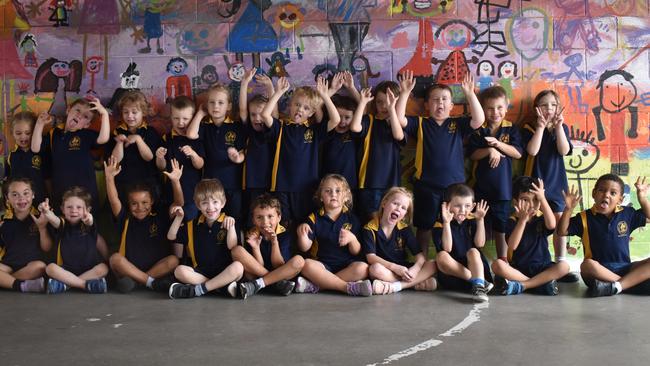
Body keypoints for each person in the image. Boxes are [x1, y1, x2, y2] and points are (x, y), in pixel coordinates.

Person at [396, 72, 485, 256]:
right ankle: (421, 261)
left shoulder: (458, 124)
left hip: (455, 189)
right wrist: (404, 93)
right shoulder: (421, 123)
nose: (440, 103)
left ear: (452, 106)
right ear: (427, 105)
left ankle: (452, 261)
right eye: (435, 100)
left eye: (445, 99)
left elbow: (479, 121)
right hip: (426, 186)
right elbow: (399, 120)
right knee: (424, 226)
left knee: (454, 225)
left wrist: (470, 93)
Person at [261, 77, 340, 225]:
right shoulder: (281, 127)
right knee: (284, 225)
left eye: (306, 108)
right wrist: (278, 93)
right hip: (281, 186)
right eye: (297, 104)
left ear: (311, 113)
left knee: (306, 226)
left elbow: (335, 120)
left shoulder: (314, 131)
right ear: (290, 106)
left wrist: (324, 96)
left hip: (308, 188)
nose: (299, 109)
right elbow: (265, 115)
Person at [558, 174, 650, 297]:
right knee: (586, 265)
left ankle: (616, 286)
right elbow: (562, 231)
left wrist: (643, 198)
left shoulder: (627, 213)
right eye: (602, 190)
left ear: (620, 200)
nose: (606, 195)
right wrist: (568, 209)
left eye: (613, 193)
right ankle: (630, 285)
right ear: (594, 193)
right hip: (598, 272)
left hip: (625, 268)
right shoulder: (584, 217)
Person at [105, 156, 182, 293]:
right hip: (128, 270)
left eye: (144, 202)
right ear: (128, 205)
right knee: (115, 259)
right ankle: (150, 283)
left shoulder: (160, 217)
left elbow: (178, 204)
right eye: (134, 203)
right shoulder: (126, 218)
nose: (140, 207)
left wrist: (175, 181)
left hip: (156, 269)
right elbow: (114, 201)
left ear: (152, 201)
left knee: (173, 260)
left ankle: (137, 282)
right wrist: (109, 178)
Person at [522, 90, 577, 282]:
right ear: (537, 109)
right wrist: (540, 128)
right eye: (544, 105)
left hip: (557, 183)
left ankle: (560, 263)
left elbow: (564, 150)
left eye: (553, 105)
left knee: (560, 223)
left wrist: (559, 127)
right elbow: (532, 150)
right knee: (540, 225)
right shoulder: (529, 127)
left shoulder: (562, 128)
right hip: (536, 184)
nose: (549, 109)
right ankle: (543, 263)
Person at [468, 86, 522, 261]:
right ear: (483, 109)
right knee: (478, 226)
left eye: (499, 108)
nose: (495, 112)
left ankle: (503, 264)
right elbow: (473, 154)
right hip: (481, 189)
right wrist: (489, 151)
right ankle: (478, 264)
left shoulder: (511, 129)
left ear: (506, 108)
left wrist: (498, 145)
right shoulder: (478, 129)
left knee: (501, 229)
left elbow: (518, 153)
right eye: (490, 108)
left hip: (503, 191)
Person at [491, 176, 570, 295]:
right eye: (525, 199)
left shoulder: (540, 218)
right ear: (515, 202)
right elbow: (513, 245)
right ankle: (540, 285)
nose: (531, 204)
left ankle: (523, 285)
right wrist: (522, 221)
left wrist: (542, 198)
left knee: (564, 266)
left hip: (542, 267)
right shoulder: (511, 221)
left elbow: (552, 224)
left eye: (535, 199)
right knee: (497, 265)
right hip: (520, 268)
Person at [166, 179, 244, 299]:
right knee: (179, 271)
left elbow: (232, 246)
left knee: (238, 267)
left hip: (225, 271)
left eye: (215, 202)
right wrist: (179, 218)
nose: (210, 207)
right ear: (198, 205)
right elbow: (171, 236)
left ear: (223, 203)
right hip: (201, 272)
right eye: (204, 203)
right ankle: (220, 288)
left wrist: (232, 227)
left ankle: (199, 289)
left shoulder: (228, 221)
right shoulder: (192, 225)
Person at [296, 174, 372, 296]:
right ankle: (346, 287)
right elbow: (305, 247)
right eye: (328, 191)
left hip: (346, 265)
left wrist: (352, 239)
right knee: (306, 265)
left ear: (346, 197)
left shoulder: (352, 219)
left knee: (363, 268)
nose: (333, 194)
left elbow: (356, 251)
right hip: (323, 265)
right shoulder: (314, 218)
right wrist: (302, 235)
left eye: (338, 191)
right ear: (320, 197)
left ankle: (318, 286)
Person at [31, 97, 111, 211]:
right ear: (68, 110)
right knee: (62, 225)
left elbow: (103, 139)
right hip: (61, 193)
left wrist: (104, 114)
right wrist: (39, 124)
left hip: (86, 195)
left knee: (88, 225)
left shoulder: (85, 134)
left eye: (85, 116)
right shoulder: (54, 134)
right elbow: (35, 148)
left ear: (87, 124)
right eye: (77, 110)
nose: (79, 115)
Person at [362, 187, 438, 295]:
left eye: (403, 208)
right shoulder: (370, 228)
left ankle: (395, 286)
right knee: (375, 269)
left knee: (432, 264)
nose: (398, 209)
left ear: (404, 215)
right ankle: (414, 284)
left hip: (403, 269)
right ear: (384, 203)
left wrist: (415, 270)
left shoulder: (404, 229)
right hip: (386, 269)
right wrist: (394, 267)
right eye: (395, 203)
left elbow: (420, 256)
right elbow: (371, 257)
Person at [187, 83, 245, 223]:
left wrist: (237, 158)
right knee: (213, 220)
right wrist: (200, 113)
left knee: (233, 220)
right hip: (211, 187)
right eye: (212, 102)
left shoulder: (236, 127)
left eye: (220, 102)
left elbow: (243, 153)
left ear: (229, 106)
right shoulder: (205, 127)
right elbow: (190, 134)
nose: (216, 106)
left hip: (233, 185)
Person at [350, 77, 405, 222]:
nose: (384, 106)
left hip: (391, 185)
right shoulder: (369, 120)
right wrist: (362, 102)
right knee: (370, 222)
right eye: (380, 102)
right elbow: (355, 128)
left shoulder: (395, 125)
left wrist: (392, 109)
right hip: (369, 183)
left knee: (389, 222)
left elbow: (398, 136)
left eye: (388, 102)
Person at [231, 194, 305, 299]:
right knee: (236, 250)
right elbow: (257, 266)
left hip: (282, 274)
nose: (265, 222)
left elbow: (278, 266)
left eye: (270, 216)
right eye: (259, 217)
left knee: (299, 261)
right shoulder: (252, 235)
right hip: (260, 275)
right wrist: (255, 248)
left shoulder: (284, 235)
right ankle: (275, 284)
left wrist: (275, 242)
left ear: (279, 217)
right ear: (253, 219)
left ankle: (260, 284)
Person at [42, 187, 109, 294]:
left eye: (79, 207)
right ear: (63, 209)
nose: (74, 210)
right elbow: (55, 220)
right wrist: (47, 213)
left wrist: (89, 219)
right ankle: (85, 285)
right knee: (50, 268)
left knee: (103, 268)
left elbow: (90, 221)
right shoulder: (63, 224)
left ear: (87, 210)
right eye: (69, 207)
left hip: (89, 269)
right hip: (66, 270)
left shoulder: (88, 226)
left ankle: (65, 285)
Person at [433, 183, 493, 302]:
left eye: (467, 206)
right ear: (447, 206)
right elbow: (447, 248)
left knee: (473, 251)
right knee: (441, 256)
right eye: (457, 206)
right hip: (454, 274)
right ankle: (478, 282)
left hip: (476, 268)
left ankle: (479, 285)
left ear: (473, 206)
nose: (462, 210)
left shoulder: (472, 220)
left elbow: (480, 244)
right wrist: (446, 223)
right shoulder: (439, 224)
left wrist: (480, 220)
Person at [156, 96, 205, 220]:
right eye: (176, 118)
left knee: (190, 220)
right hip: (170, 193)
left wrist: (193, 154)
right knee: (172, 223)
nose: (180, 122)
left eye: (185, 119)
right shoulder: (166, 139)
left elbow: (200, 164)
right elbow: (161, 167)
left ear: (193, 118)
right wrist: (160, 157)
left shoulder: (196, 139)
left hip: (192, 192)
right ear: (171, 118)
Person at [238, 68, 276, 226]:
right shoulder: (249, 131)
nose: (257, 118)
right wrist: (244, 83)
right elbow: (242, 109)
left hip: (271, 183)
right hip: (252, 183)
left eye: (261, 114)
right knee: (253, 217)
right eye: (253, 114)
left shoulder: (272, 130)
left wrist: (270, 87)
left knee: (269, 217)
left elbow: (274, 112)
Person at [0, 178, 52, 293]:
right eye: (15, 194)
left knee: (40, 266)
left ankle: (5, 282)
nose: (21, 198)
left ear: (33, 195)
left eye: (26, 193)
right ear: (7, 198)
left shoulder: (41, 216)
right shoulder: (4, 221)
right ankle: (21, 285)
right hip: (8, 265)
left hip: (31, 266)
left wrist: (42, 228)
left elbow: (47, 248)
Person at [109, 90, 162, 203]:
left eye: (134, 112)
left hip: (147, 182)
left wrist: (138, 139)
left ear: (143, 113)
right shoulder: (117, 132)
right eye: (126, 112)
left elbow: (149, 157)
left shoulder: (150, 132)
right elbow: (115, 161)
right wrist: (119, 143)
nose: (130, 116)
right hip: (124, 182)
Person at [5, 112, 48, 204]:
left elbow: (48, 177)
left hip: (39, 203)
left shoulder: (42, 151)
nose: (23, 137)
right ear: (12, 133)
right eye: (18, 133)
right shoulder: (12, 156)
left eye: (28, 133)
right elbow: (8, 181)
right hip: (19, 205)